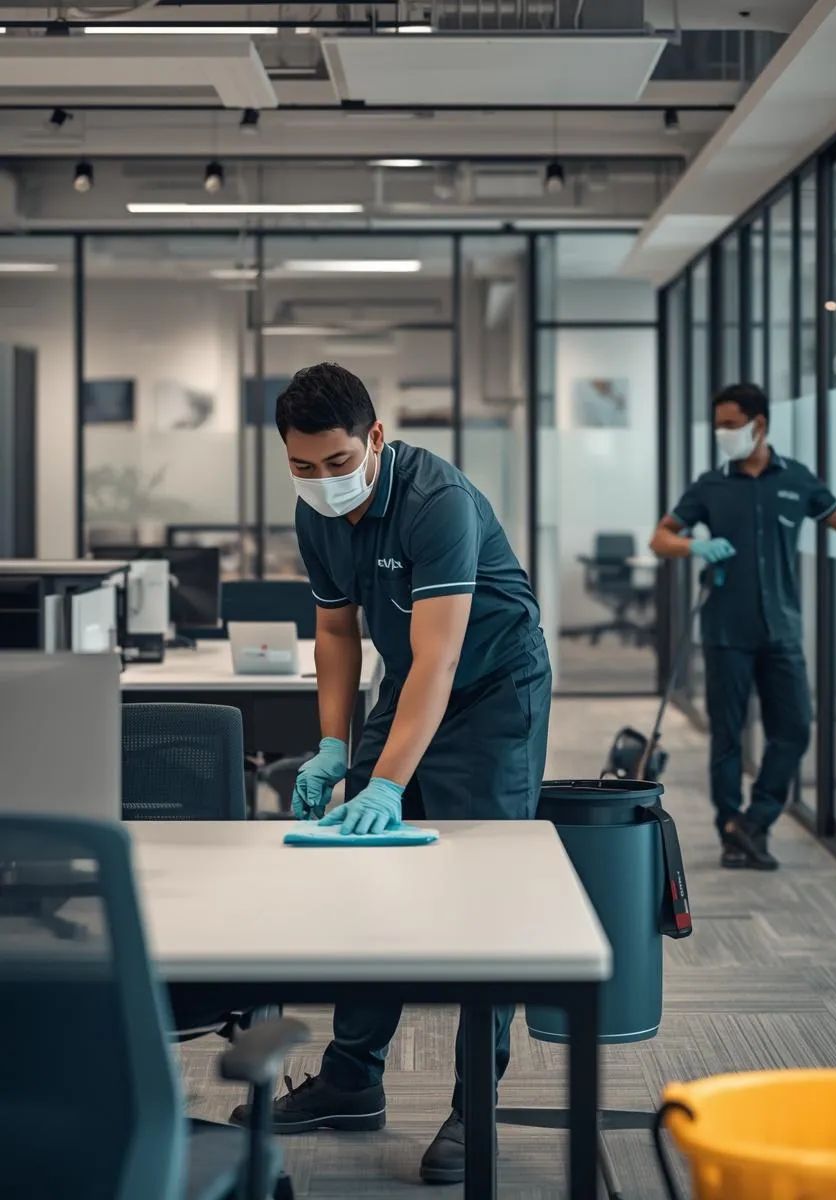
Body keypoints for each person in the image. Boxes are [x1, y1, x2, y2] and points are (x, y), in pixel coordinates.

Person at [231, 362, 551, 1184]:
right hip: (407, 684)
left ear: (375, 439)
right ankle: (351, 1079)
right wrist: (334, 746)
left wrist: (384, 784)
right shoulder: (317, 515)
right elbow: (337, 635)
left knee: (485, 889)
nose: (323, 482)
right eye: (302, 467)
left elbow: (441, 661)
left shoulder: (436, 502)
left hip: (490, 690)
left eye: (338, 464)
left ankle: (474, 1103)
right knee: (364, 877)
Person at [649, 382, 836, 871]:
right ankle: (729, 829)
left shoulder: (798, 480)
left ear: (759, 425)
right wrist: (694, 547)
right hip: (726, 632)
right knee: (727, 737)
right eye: (718, 424)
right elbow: (660, 537)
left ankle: (755, 820)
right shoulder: (710, 486)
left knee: (794, 730)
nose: (722, 432)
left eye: (731, 424)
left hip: (780, 630)